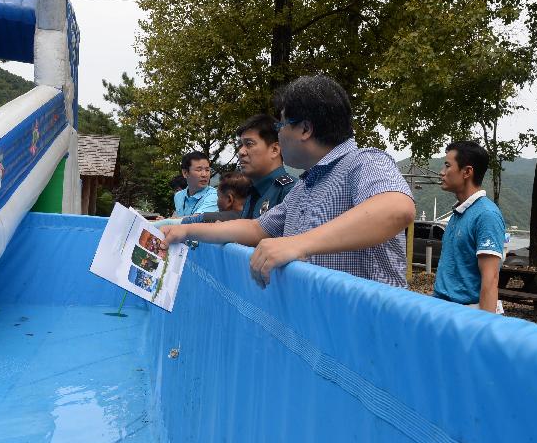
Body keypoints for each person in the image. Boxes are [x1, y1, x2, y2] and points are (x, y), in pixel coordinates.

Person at [163, 75, 415, 289]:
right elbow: (255, 229)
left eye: (282, 124)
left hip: (365, 336)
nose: (279, 134)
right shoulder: (305, 186)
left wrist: (298, 244)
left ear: (305, 129)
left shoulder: (365, 161)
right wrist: (184, 230)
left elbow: (396, 209)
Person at [433, 141, 506, 314]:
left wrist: (484, 330)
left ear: (467, 172)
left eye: (447, 166)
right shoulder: (459, 212)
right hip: (442, 310)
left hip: (466, 316)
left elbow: (491, 279)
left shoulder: (486, 215)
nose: (441, 172)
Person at [235, 114, 296, 219]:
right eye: (241, 145)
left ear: (274, 150)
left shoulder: (290, 191)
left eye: (249, 144)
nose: (241, 152)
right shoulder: (253, 193)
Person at [182, 171, 252, 224]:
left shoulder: (211, 219)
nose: (217, 200)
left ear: (229, 200)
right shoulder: (257, 221)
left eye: (218, 196)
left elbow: (187, 222)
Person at [173, 151, 218, 217]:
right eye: (199, 170)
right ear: (185, 173)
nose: (204, 174)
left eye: (207, 170)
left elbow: (195, 220)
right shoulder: (178, 196)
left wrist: (167, 221)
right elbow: (178, 218)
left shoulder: (215, 195)